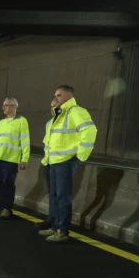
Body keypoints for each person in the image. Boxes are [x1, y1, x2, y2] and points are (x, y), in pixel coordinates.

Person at [40, 85, 97, 243]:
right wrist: (47, 160)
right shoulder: (58, 116)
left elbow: (90, 131)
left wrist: (81, 155)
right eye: (55, 95)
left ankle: (62, 231)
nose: (56, 98)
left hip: (65, 162)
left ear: (69, 96)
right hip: (53, 162)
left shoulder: (76, 111)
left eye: (59, 95)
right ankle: (55, 226)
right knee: (55, 196)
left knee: (63, 197)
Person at [0, 97, 30, 219]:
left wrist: (24, 158)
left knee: (8, 184)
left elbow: (25, 141)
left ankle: (7, 209)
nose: (3, 107)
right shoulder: (1, 122)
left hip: (12, 159)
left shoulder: (22, 121)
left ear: (14, 107)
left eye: (6, 105)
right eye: (3, 105)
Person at [39, 99, 58, 232]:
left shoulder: (67, 122)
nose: (52, 109)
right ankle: (51, 219)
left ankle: (59, 225)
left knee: (60, 195)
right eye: (51, 107)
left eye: (55, 106)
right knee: (52, 194)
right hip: (49, 163)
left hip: (61, 163)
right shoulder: (49, 123)